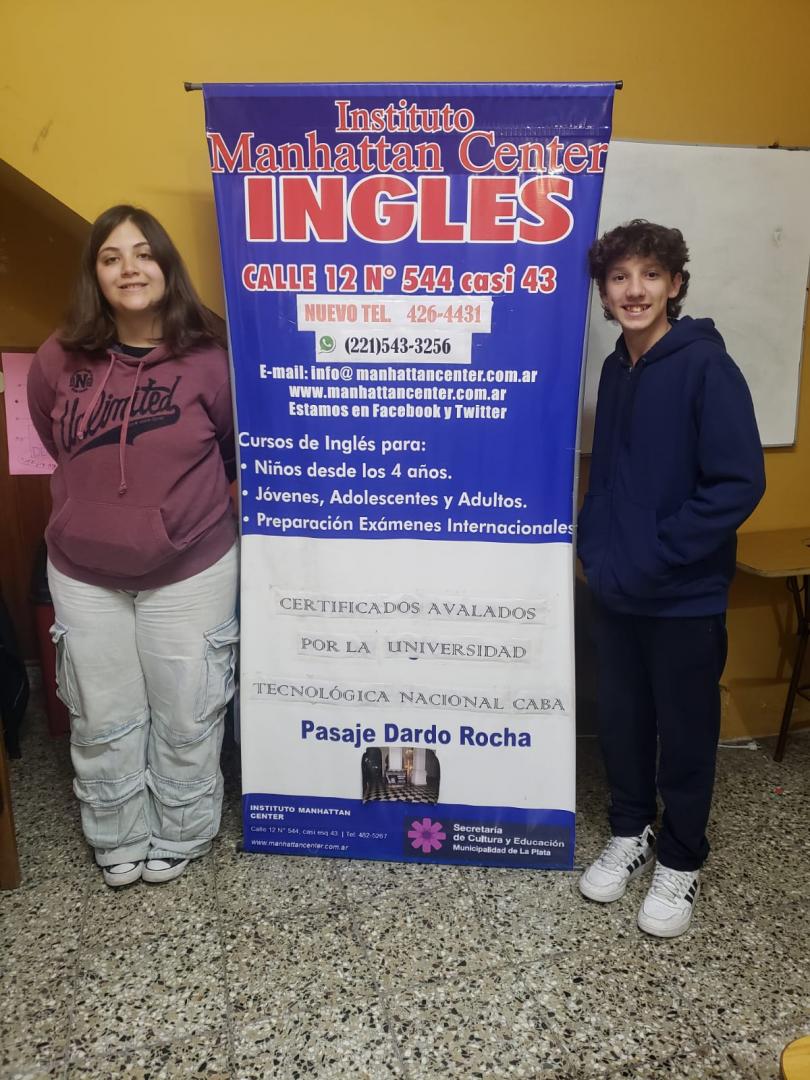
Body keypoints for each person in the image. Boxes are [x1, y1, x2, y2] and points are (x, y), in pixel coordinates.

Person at [28, 205, 239, 888]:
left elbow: (232, 452)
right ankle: (116, 836)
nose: (130, 269)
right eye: (111, 257)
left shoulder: (211, 359)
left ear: (167, 265)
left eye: (144, 253)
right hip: (83, 573)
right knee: (101, 714)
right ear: (94, 273)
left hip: (190, 568)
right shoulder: (57, 358)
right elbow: (55, 441)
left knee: (187, 708)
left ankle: (181, 830)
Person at [577, 220, 765, 937]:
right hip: (616, 589)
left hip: (683, 594)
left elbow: (737, 483)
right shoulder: (615, 368)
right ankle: (631, 831)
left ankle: (682, 858)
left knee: (685, 732)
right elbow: (608, 474)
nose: (635, 291)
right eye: (620, 278)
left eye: (650, 275)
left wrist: (656, 552)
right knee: (623, 721)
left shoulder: (706, 367)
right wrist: (596, 545)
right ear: (605, 293)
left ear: (675, 285)